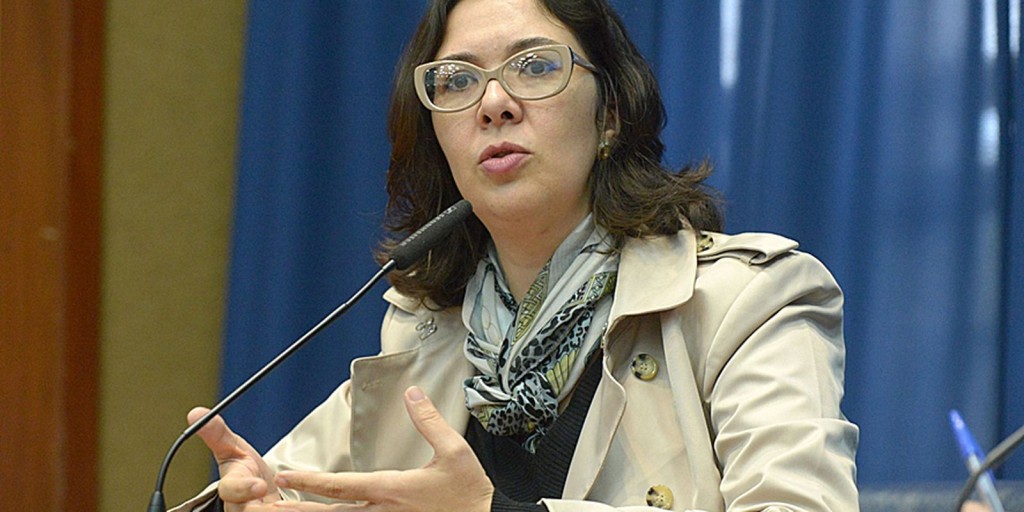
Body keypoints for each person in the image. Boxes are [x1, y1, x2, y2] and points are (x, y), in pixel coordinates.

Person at [172, 0, 861, 510]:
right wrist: (252, 501)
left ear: (610, 114)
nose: (494, 103)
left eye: (534, 67)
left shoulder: (746, 304)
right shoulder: (427, 333)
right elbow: (292, 485)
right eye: (457, 80)